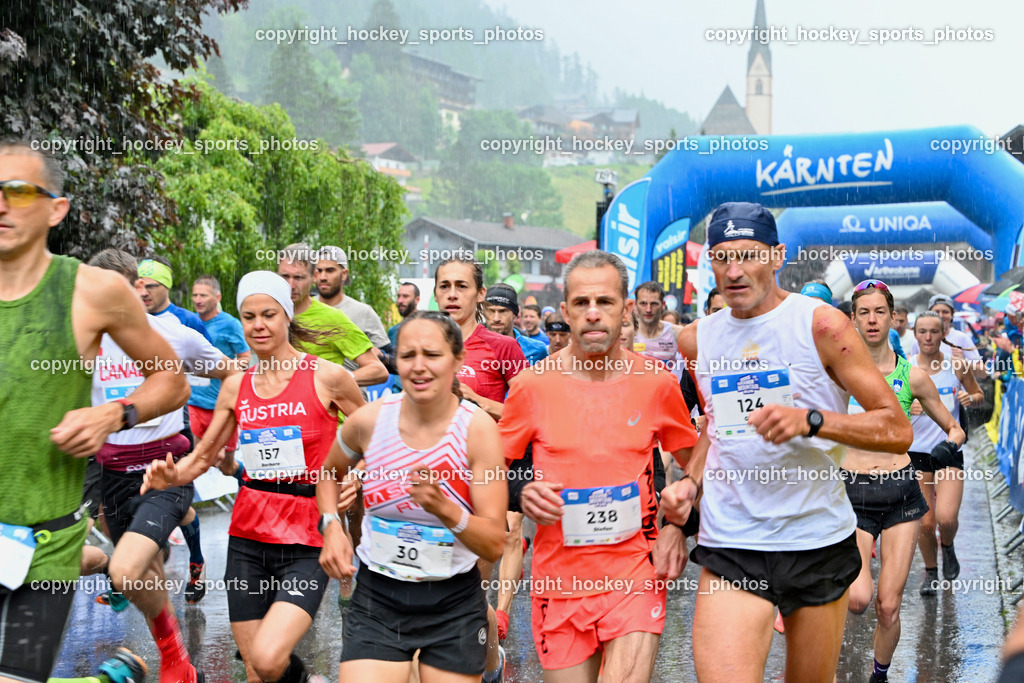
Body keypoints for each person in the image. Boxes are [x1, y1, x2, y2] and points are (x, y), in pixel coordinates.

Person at [661, 202, 914, 683]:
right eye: (721, 257)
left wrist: (813, 421)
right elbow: (714, 430)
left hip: (816, 540)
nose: (733, 271)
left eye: (749, 255)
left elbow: (895, 428)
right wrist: (687, 494)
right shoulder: (700, 339)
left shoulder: (821, 325)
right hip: (732, 543)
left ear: (777, 256)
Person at [0, 140, 188, 683]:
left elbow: (171, 379)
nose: (3, 205)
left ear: (55, 208)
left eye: (19, 191)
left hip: (43, 543)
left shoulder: (93, 292)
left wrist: (113, 416)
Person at [144, 271, 364, 683]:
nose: (258, 325)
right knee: (256, 671)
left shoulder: (327, 377)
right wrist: (171, 475)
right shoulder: (235, 386)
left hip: (308, 535)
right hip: (248, 538)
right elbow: (203, 458)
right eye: (249, 317)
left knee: (267, 658)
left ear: (286, 317)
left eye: (268, 315)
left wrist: (357, 475)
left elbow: (372, 436)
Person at [499, 251, 697, 682]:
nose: (593, 314)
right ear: (565, 310)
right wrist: (520, 490)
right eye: (582, 303)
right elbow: (490, 470)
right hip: (559, 584)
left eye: (605, 302)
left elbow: (699, 463)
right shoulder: (532, 386)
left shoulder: (657, 383)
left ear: (625, 310)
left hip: (635, 574)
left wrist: (680, 526)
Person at [318, 311, 507, 681]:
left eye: (432, 355)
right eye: (407, 356)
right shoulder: (370, 421)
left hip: (452, 603)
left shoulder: (476, 430)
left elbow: (494, 543)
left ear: (457, 360)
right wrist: (331, 527)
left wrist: (445, 509)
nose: (419, 367)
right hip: (378, 598)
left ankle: (492, 666)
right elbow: (327, 473)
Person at [89, 248, 239, 683]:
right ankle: (178, 662)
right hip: (113, 477)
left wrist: (213, 446)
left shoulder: (173, 333)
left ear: (136, 287)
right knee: (143, 575)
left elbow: (230, 375)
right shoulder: (85, 341)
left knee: (126, 568)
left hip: (166, 469)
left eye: (111, 289)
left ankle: (174, 661)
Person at [842, 280, 965, 683]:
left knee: (888, 607)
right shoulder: (838, 373)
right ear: (854, 319)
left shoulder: (913, 377)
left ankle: (879, 675)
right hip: (852, 495)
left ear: (892, 317)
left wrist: (949, 447)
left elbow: (954, 428)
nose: (873, 320)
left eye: (880, 311)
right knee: (858, 599)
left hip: (901, 495)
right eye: (864, 312)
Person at [434, 256, 527, 680]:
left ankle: (488, 664)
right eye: (444, 286)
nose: (452, 294)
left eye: (461, 286)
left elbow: (529, 413)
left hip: (486, 480)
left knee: (469, 588)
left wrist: (476, 400)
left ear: (479, 295)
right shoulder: (426, 342)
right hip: (437, 482)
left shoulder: (502, 348)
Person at [909, 311, 984, 596]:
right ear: (916, 335)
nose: (928, 337)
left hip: (949, 448)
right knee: (925, 523)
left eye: (934, 332)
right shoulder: (905, 367)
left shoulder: (956, 364)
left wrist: (970, 397)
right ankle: (930, 572)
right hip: (916, 454)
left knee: (947, 518)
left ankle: (948, 546)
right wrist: (907, 407)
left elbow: (978, 394)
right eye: (923, 331)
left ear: (943, 335)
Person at [187, 274, 251, 599]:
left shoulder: (229, 325)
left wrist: (229, 378)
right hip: (194, 404)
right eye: (195, 295)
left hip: (221, 407)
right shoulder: (187, 322)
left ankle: (245, 478)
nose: (198, 300)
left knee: (221, 464)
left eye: (203, 295)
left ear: (217, 295)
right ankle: (193, 560)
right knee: (196, 461)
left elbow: (243, 360)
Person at [276, 243, 387, 386]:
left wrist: (335, 382)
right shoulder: (268, 315)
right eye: (285, 277)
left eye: (298, 277)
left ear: (313, 276)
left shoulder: (333, 318)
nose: (290, 285)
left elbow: (378, 370)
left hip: (326, 407)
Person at [315, 246, 394, 370]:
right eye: (319, 271)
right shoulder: (303, 310)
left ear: (344, 274)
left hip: (352, 387)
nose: (323, 277)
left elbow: (396, 364)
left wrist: (380, 356)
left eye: (330, 270)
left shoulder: (363, 313)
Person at [137, 258, 214, 344]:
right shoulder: (130, 319)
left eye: (150, 286)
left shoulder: (188, 321)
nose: (144, 293)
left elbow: (211, 356)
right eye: (139, 287)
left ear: (167, 285)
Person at [910, 295, 983, 373]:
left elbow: (983, 372)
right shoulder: (919, 341)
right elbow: (911, 372)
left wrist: (963, 363)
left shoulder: (962, 338)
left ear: (952, 315)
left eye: (945, 312)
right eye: (936, 312)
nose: (941, 315)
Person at [486, 284, 548, 365]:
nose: (496, 318)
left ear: (515, 314)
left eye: (503, 311)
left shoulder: (536, 350)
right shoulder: (471, 348)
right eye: (491, 311)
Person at [633, 281, 683, 378]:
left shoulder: (676, 333)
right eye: (643, 303)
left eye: (654, 304)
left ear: (663, 305)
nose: (648, 309)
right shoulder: (626, 333)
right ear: (635, 305)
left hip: (666, 389)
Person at [388, 282, 421, 347]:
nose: (400, 301)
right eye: (398, 296)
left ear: (417, 300)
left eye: (405, 296)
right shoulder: (393, 331)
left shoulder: (427, 328)